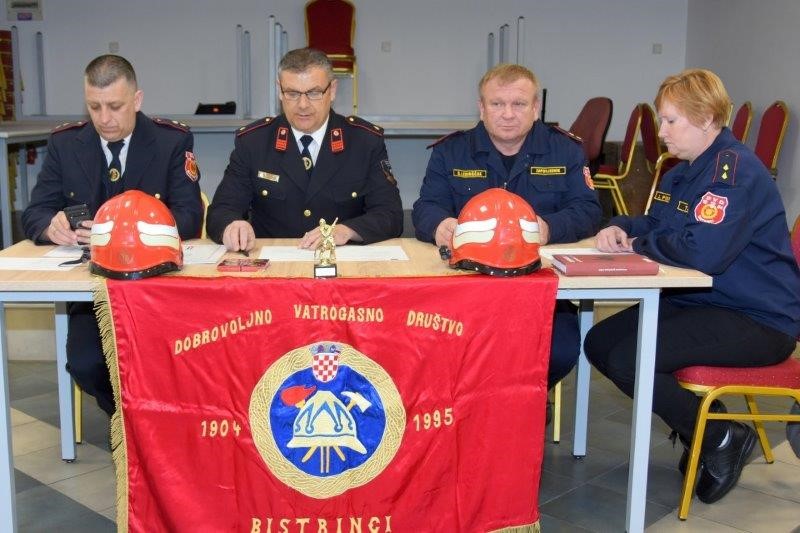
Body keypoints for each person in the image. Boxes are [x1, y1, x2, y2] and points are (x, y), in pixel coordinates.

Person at [584, 69, 800, 504]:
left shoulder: (733, 173)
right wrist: (621, 226)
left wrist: (639, 244)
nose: (662, 132)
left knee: (629, 358)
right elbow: (658, 223)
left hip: (758, 318)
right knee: (600, 342)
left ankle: (719, 435)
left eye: (670, 120)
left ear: (706, 119)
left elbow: (702, 253)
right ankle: (707, 425)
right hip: (705, 302)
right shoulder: (684, 171)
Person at [21, 54, 204, 416]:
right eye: (95, 107)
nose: (104, 118)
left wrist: (120, 231)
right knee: (87, 364)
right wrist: (50, 225)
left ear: (136, 100)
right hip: (92, 291)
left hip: (156, 289)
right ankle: (128, 423)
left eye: (115, 106)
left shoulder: (171, 141)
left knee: (175, 361)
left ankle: (147, 425)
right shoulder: (65, 144)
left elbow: (189, 217)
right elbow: (35, 212)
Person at [412, 63, 602, 391]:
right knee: (439, 346)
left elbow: (588, 210)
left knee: (558, 351)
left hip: (539, 288)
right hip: (468, 289)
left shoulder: (566, 150)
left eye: (519, 104)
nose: (508, 114)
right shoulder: (451, 151)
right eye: (497, 104)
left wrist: (549, 228)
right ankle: (483, 401)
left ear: (536, 108)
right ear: (481, 108)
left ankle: (525, 399)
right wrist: (440, 225)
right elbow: (425, 207)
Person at [206, 48, 403, 251]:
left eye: (314, 93)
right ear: (279, 90)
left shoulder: (364, 142)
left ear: (332, 90)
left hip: (341, 261)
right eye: (292, 93)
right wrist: (232, 225)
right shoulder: (254, 142)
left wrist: (347, 231)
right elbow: (221, 211)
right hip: (274, 264)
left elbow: (391, 215)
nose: (302, 105)